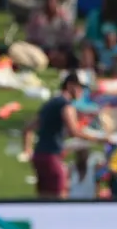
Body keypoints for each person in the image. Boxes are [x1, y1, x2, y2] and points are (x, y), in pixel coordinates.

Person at [22, 71, 107, 199]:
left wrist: (28, 151)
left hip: (39, 156)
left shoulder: (51, 103)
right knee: (60, 198)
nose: (82, 92)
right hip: (52, 157)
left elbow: (28, 128)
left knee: (43, 198)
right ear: (70, 86)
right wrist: (98, 139)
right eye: (80, 88)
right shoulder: (66, 106)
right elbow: (74, 131)